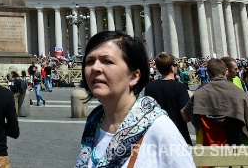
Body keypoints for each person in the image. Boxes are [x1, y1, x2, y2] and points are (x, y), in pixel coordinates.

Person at [75, 31, 194, 167]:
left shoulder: (160, 129)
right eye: (90, 61)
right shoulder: (93, 123)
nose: (95, 68)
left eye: (107, 61)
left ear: (134, 76)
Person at [181, 58, 248, 146]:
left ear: (209, 74)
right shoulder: (241, 94)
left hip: (209, 144)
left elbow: (186, 117)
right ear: (226, 72)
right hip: (235, 144)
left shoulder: (199, 94)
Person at [143, 52, 192, 145]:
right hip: (177, 135)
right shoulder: (179, 87)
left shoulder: (149, 87)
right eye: (176, 65)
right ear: (172, 68)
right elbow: (186, 117)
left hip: (157, 136)